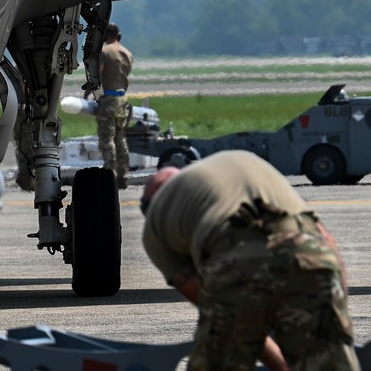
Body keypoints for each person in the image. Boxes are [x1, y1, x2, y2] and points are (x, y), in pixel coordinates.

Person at [141, 151, 358, 370]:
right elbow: (326, 241)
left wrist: (281, 366)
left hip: (235, 263)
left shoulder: (154, 227)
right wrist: (337, 310)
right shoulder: (243, 160)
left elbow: (211, 301)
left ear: (147, 207)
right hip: (308, 254)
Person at [97, 22, 133, 188]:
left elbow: (99, 73)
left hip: (109, 100)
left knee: (107, 138)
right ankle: (123, 176)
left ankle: (109, 173)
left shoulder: (104, 51)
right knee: (120, 137)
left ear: (106, 36)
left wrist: (88, 94)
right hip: (122, 100)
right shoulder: (127, 53)